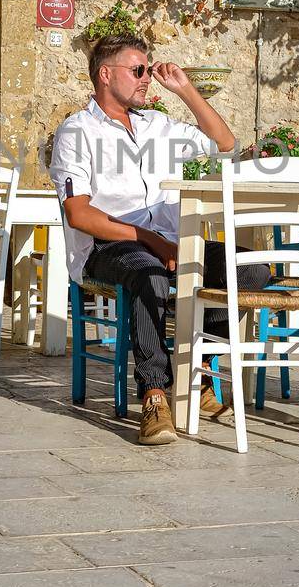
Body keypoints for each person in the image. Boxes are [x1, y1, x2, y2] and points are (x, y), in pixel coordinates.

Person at [49, 34, 269, 445]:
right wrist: (149, 239)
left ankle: (192, 372)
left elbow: (225, 145)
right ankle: (154, 394)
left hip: (171, 241)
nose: (146, 78)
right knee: (148, 274)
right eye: (137, 70)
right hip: (109, 245)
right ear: (105, 74)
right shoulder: (76, 132)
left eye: (148, 70)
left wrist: (185, 89)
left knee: (253, 270)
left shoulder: (159, 126)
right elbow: (79, 214)